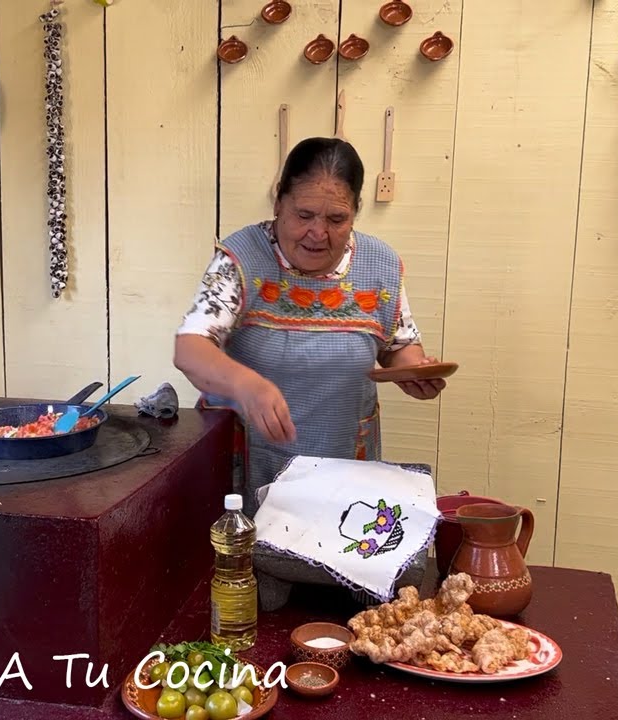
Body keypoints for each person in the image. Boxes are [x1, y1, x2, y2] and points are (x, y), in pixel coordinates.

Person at [174, 136, 447, 515]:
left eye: (337, 219)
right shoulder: (242, 259)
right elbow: (190, 348)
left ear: (355, 212)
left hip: (344, 462)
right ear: (278, 203)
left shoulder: (380, 265)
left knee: (335, 552)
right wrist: (247, 386)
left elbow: (399, 346)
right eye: (304, 215)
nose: (318, 233)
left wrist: (413, 371)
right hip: (248, 462)